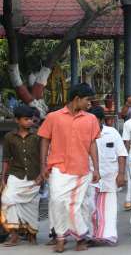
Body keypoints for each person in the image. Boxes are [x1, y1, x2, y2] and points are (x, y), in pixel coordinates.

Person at [38, 83, 101, 253]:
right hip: (58, 167)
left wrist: (96, 168)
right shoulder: (53, 117)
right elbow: (44, 140)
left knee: (73, 205)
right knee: (57, 202)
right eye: (87, 100)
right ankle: (62, 236)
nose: (90, 103)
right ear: (77, 99)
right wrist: (43, 165)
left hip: (81, 169)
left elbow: (93, 144)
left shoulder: (91, 119)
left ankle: (79, 238)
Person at [85, 106, 127, 245]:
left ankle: (107, 236)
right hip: (90, 177)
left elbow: (121, 154)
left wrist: (121, 174)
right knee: (89, 207)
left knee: (109, 208)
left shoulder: (112, 133)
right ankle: (91, 235)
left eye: (94, 120)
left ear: (101, 120)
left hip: (109, 177)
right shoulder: (84, 133)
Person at [1, 105, 42, 246]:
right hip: (16, 175)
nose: (29, 121)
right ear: (17, 120)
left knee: (32, 205)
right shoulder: (9, 137)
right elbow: (6, 158)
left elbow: (43, 157)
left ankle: (32, 234)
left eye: (31, 119)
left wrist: (42, 175)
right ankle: (14, 235)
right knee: (7, 199)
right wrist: (3, 178)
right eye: (26, 119)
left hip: (34, 176)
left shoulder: (38, 135)